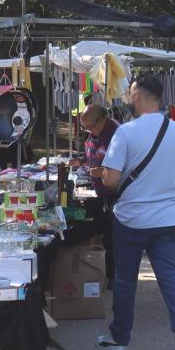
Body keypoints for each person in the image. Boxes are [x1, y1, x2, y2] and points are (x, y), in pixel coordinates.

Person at [90, 75, 175, 350]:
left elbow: (111, 180)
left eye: (129, 91)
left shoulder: (125, 132)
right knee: (170, 278)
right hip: (167, 218)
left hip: (132, 219)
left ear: (137, 95)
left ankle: (119, 338)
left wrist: (103, 172)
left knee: (126, 281)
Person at [80, 104, 122, 282]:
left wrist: (102, 172)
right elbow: (92, 153)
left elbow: (121, 166)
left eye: (90, 126)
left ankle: (113, 276)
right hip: (100, 192)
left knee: (112, 238)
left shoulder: (117, 134)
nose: (88, 130)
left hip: (115, 194)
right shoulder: (96, 132)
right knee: (104, 233)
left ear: (102, 119)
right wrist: (81, 160)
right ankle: (108, 274)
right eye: (85, 128)